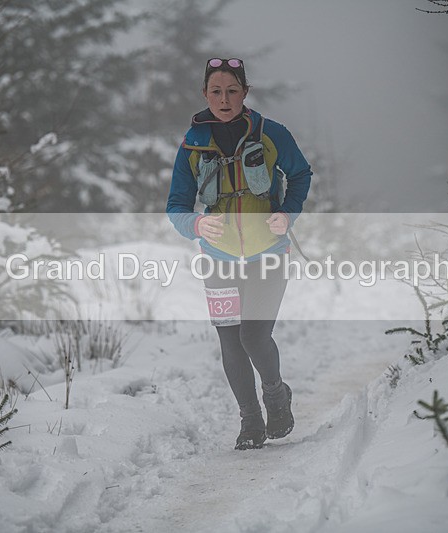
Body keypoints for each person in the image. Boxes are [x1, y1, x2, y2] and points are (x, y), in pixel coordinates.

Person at [166, 57, 312, 450]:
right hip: (217, 258)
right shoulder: (192, 145)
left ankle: (277, 396)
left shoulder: (272, 133)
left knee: (253, 335)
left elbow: (301, 174)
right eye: (216, 91)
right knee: (230, 341)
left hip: (269, 254)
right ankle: (251, 421)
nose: (224, 98)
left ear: (245, 93)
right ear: (205, 95)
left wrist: (287, 213)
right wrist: (196, 225)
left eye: (232, 90)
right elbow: (176, 207)